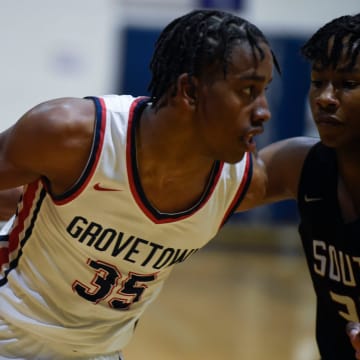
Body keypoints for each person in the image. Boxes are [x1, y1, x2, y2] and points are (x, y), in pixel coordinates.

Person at [0, 9, 278, 359]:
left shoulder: (241, 182)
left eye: (265, 91)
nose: (264, 111)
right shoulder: (73, 135)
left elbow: (322, 164)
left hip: (101, 353)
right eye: (248, 90)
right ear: (189, 90)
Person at [256, 13, 360, 360]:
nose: (325, 97)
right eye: (318, 82)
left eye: (348, 84)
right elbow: (211, 190)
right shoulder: (300, 164)